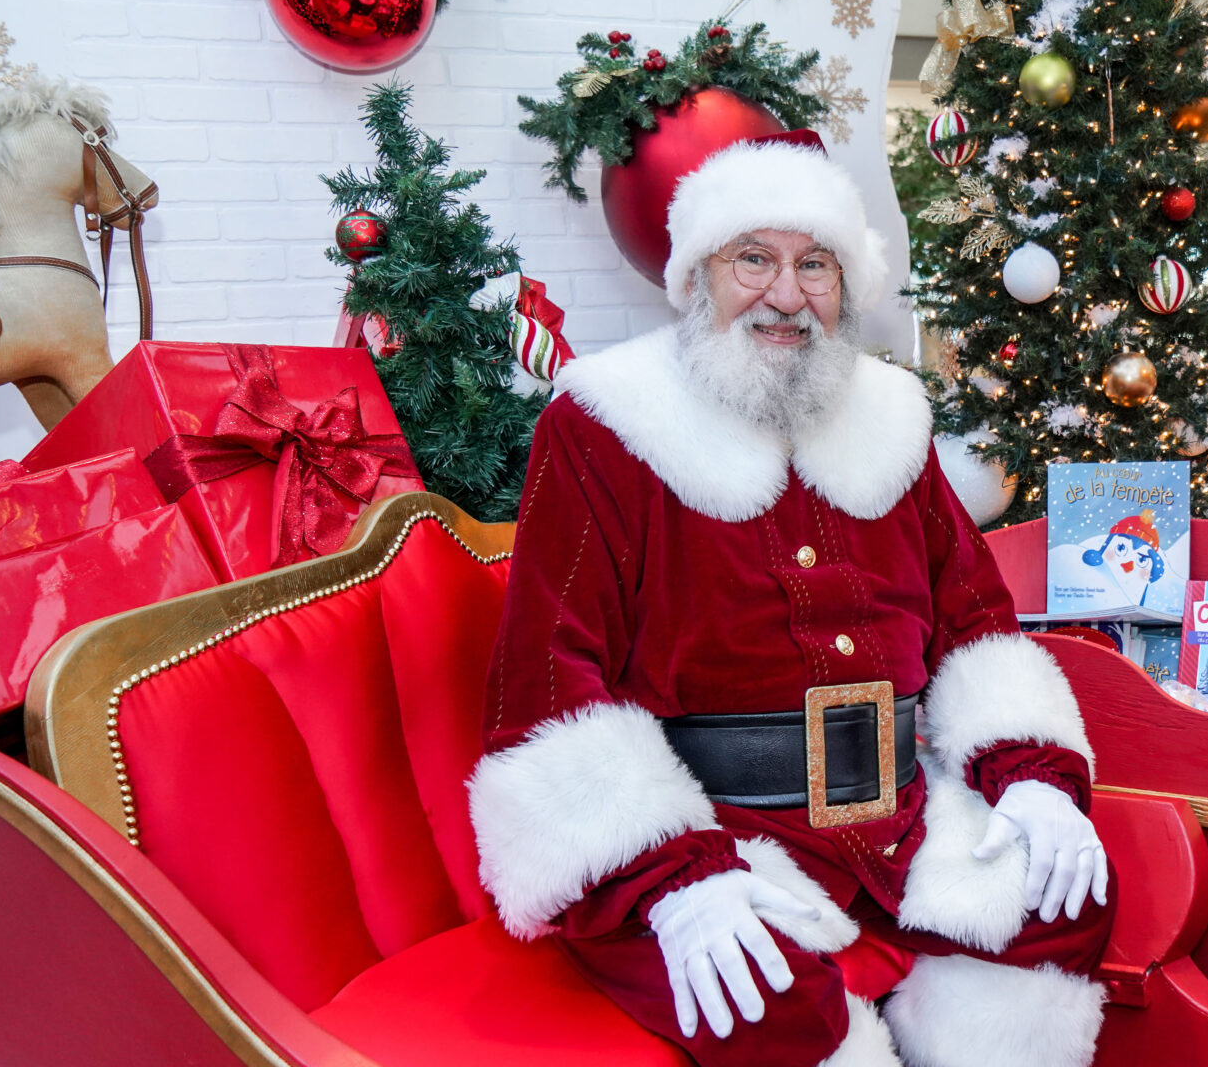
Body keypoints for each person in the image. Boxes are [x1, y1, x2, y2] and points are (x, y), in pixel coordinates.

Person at [468, 134, 1113, 1067]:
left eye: (814, 264)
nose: (784, 294)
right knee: (756, 995)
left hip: (899, 818)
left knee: (1065, 900)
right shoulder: (605, 424)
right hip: (720, 833)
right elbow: (549, 679)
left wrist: (1031, 778)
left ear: (845, 287)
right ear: (698, 275)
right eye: (753, 259)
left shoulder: (893, 418)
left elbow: (976, 621)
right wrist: (672, 880)